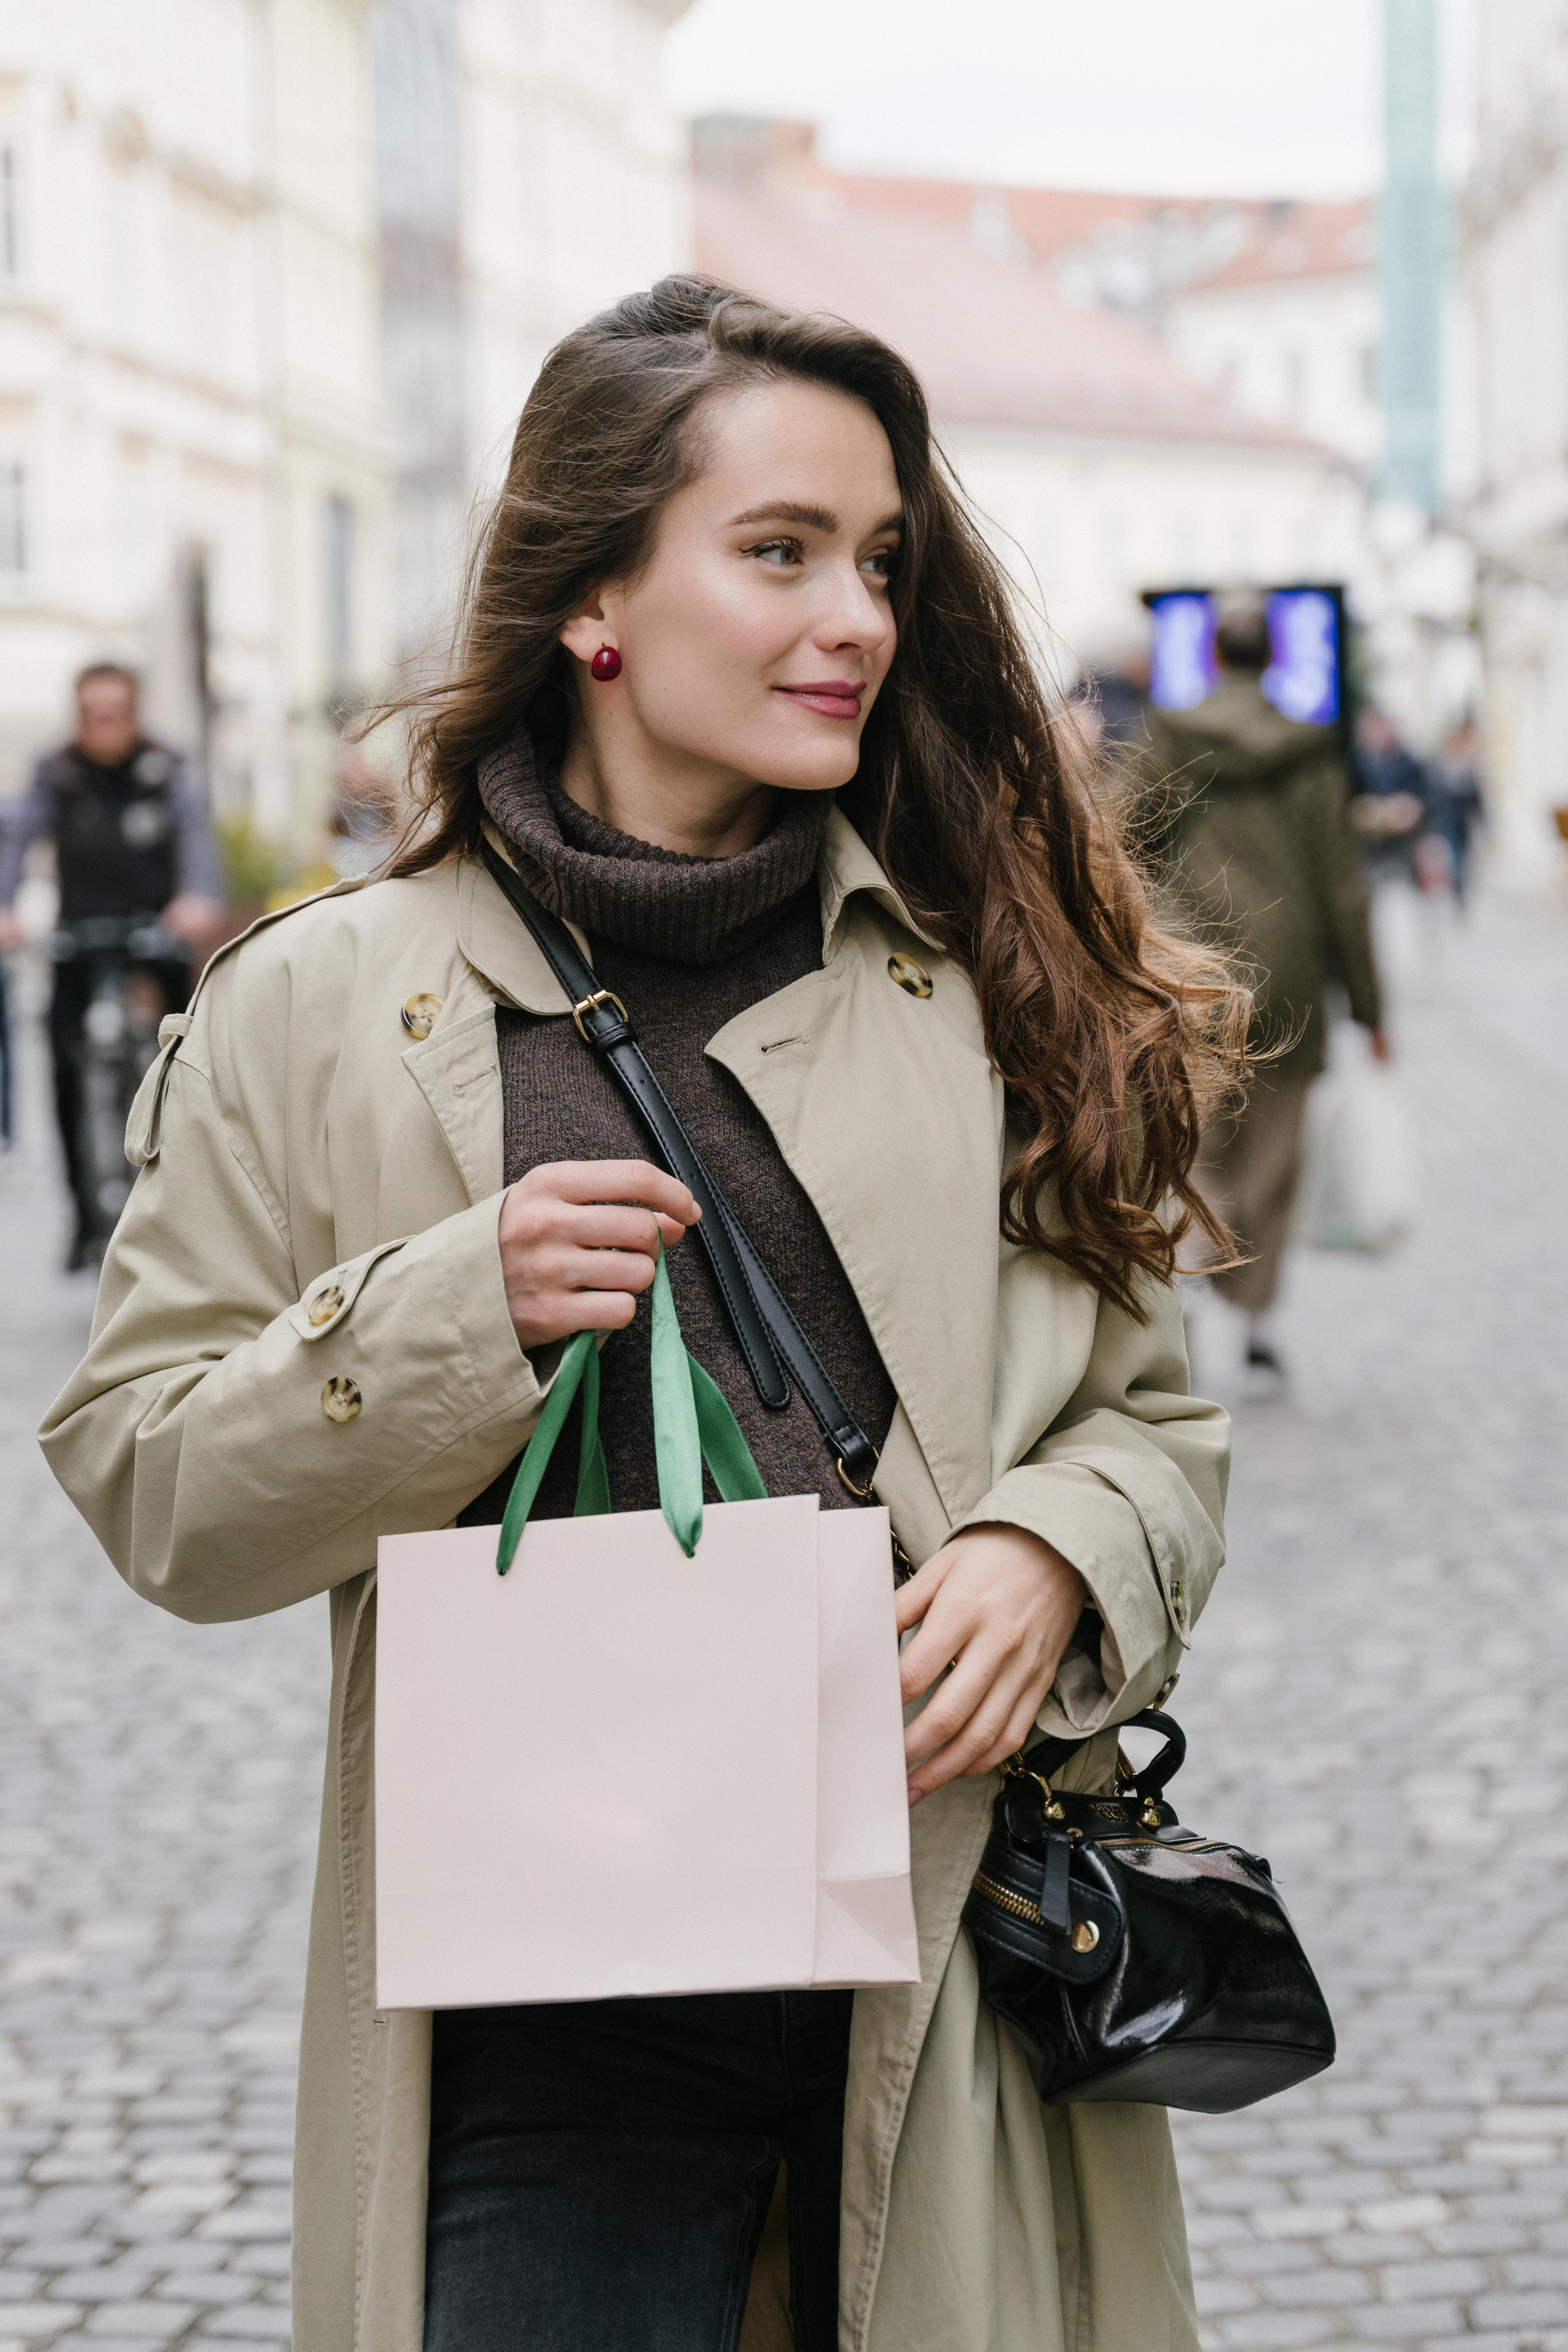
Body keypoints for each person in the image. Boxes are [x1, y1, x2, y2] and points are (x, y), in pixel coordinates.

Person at [41, 278, 1243, 2352]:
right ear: (596, 599)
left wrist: (1062, 1551)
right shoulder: (321, 1005)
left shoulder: (989, 977)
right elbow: (159, 1489)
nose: (854, 617)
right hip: (554, 2011)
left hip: (947, 1971)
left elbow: (1153, 1422)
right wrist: (448, 1318)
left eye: (877, 561)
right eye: (778, 554)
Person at [1140, 601, 1386, 1377]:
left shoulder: (1171, 737)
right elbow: (1342, 887)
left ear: (1212, 653)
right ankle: (1256, 1320)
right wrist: (1371, 1006)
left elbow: (1124, 840)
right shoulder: (1310, 750)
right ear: (1275, 655)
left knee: (1190, 1142)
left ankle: (1192, 1269)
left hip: (1192, 975)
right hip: (1289, 978)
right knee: (1274, 1156)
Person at [0, 663, 224, 1263]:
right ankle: (81, 1217)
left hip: (155, 933)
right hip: (78, 935)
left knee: (186, 1059)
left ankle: (187, 1202)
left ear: (134, 712)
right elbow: (20, 839)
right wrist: (7, 905)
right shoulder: (55, 772)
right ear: (78, 715)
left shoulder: (166, 767)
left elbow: (196, 836)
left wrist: (197, 896)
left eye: (116, 713)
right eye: (93, 714)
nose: (105, 725)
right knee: (64, 1067)